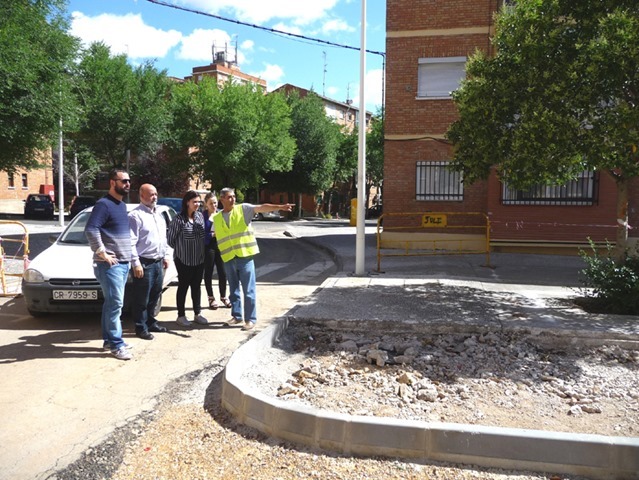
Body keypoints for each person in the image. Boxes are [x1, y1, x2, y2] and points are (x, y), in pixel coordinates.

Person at [212, 187, 294, 331]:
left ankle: (250, 319)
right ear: (222, 199)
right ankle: (237, 316)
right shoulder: (217, 218)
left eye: (233, 196)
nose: (232, 199)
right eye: (229, 197)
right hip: (229, 257)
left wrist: (280, 207)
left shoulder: (243, 209)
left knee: (248, 290)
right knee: (233, 289)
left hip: (244, 256)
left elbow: (261, 207)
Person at [85, 168, 133, 360]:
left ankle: (109, 340)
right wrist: (102, 252)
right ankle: (116, 344)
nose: (127, 184)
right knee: (115, 304)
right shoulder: (103, 205)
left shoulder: (121, 205)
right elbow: (91, 229)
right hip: (109, 265)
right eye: (123, 181)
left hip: (122, 263)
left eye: (129, 181)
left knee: (111, 304)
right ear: (112, 182)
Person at [128, 183, 170, 340]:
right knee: (141, 298)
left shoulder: (158, 215)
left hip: (158, 261)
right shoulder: (135, 216)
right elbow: (131, 242)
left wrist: (165, 256)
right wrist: (136, 263)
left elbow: (162, 239)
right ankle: (140, 327)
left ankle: (151, 322)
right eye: (151, 194)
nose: (155, 197)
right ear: (142, 195)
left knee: (155, 294)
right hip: (144, 262)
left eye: (156, 194)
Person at [167, 190, 208, 328]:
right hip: (183, 259)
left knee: (196, 287)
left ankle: (197, 313)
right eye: (194, 202)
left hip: (199, 259)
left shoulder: (200, 217)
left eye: (198, 202)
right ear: (187, 203)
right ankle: (181, 315)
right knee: (183, 286)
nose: (197, 204)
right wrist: (182, 248)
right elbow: (171, 240)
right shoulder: (178, 219)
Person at [203, 192, 231, 310]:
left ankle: (223, 296)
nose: (214, 205)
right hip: (208, 246)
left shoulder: (220, 214)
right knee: (208, 272)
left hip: (220, 246)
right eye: (211, 203)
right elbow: (201, 234)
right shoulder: (202, 216)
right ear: (206, 204)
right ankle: (211, 298)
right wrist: (212, 234)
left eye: (215, 203)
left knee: (223, 272)